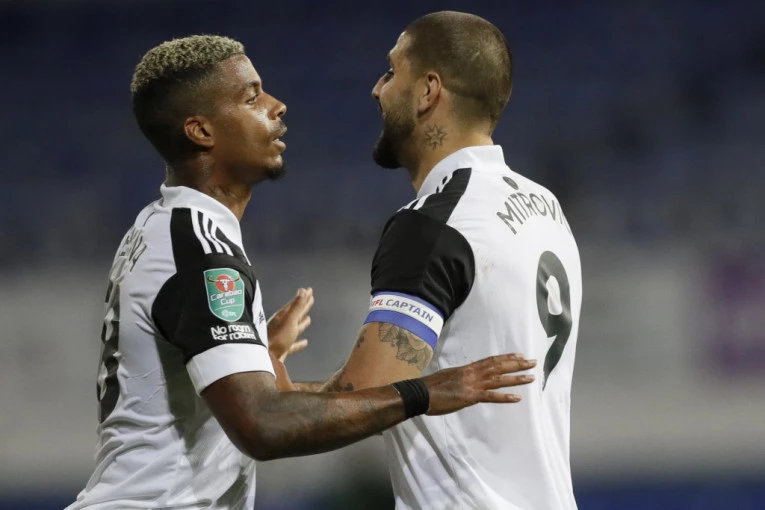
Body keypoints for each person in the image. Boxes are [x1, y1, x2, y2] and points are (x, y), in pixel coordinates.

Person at [65, 34, 537, 510]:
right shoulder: (200, 249)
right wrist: (425, 393)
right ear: (201, 132)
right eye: (251, 97)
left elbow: (238, 404)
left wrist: (256, 359)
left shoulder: (165, 226)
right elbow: (264, 426)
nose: (277, 105)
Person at [295, 11, 583, 510]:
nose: (376, 89)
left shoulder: (434, 224)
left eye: (391, 72)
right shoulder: (546, 207)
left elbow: (358, 401)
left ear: (428, 91)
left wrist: (266, 392)